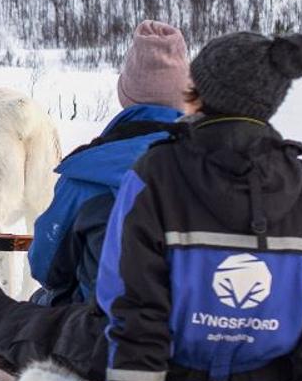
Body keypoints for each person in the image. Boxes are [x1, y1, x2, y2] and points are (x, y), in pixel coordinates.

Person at [0, 31, 302, 381]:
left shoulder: (158, 175)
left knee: (48, 327)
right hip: (269, 378)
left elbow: (128, 290)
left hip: (162, 371)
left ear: (198, 91)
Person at [28, 20, 190, 306]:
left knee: (42, 301)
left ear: (125, 93)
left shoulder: (87, 173)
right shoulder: (216, 167)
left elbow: (47, 267)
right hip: (195, 324)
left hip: (98, 331)